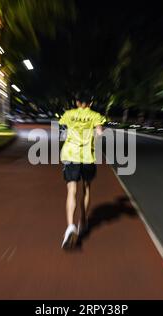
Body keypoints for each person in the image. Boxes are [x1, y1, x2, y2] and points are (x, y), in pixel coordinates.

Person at [59, 94, 106, 250]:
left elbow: (63, 130)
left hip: (70, 155)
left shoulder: (69, 114)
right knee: (86, 189)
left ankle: (70, 226)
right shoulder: (95, 115)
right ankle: (84, 221)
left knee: (71, 190)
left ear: (77, 102)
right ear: (90, 103)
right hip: (87, 157)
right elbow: (100, 133)